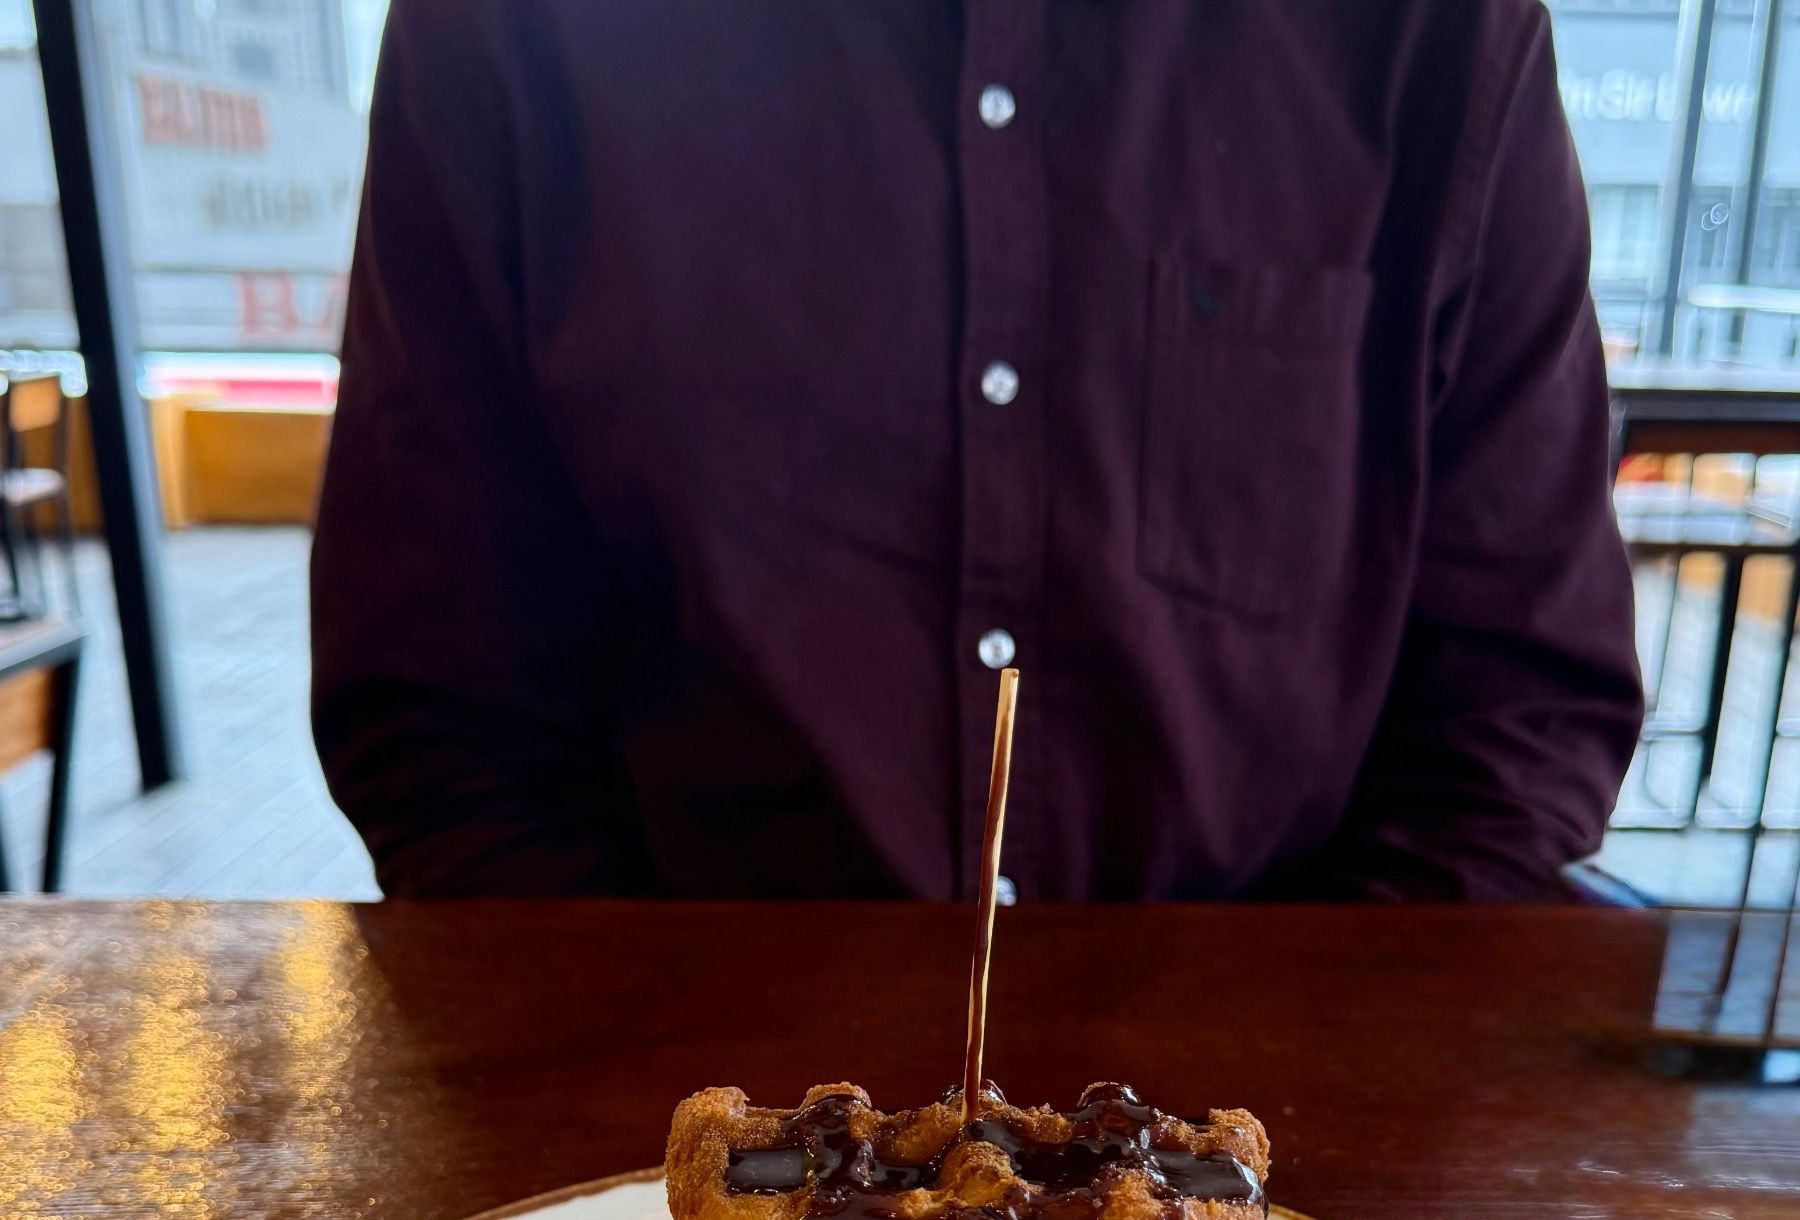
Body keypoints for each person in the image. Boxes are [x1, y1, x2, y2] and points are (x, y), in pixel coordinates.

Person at [311, 0, 1642, 903]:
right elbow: (436, 701)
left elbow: (1525, 704)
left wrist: (1275, 1104)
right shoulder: (512, 30)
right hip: (677, 1118)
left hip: (1277, 1136)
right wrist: (657, 1112)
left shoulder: (1438, 32)